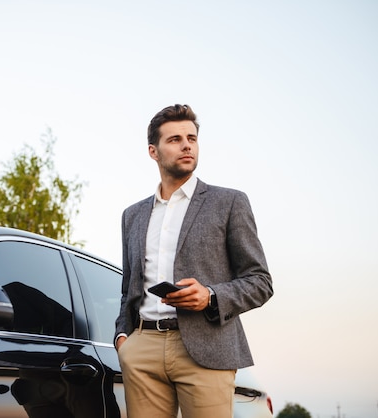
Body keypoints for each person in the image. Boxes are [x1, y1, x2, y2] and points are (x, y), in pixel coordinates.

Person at [114, 104, 273, 418]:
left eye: (191, 138)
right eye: (174, 139)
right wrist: (123, 338)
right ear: (153, 151)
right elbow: (128, 287)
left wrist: (211, 296)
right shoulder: (132, 216)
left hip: (207, 347)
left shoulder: (229, 202)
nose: (186, 144)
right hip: (143, 347)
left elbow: (260, 281)